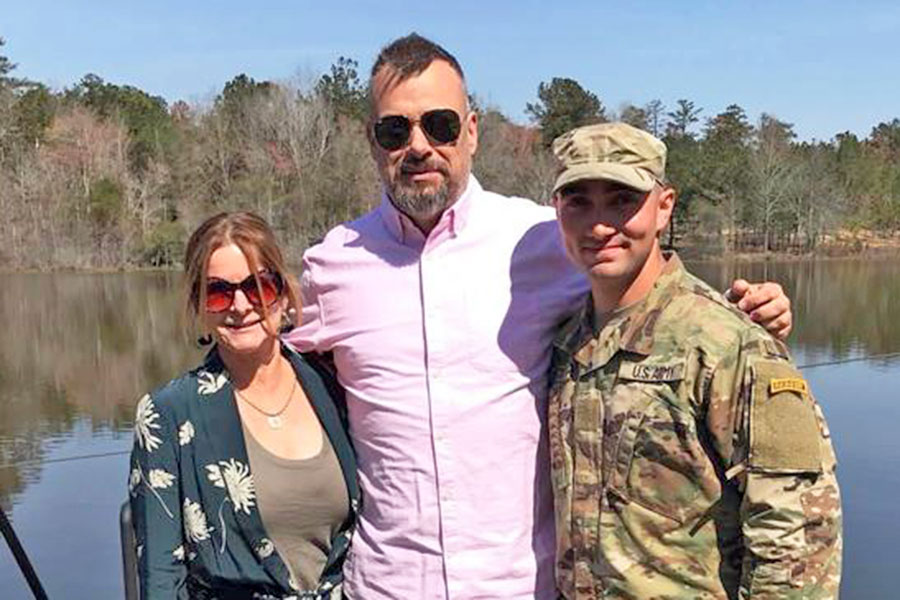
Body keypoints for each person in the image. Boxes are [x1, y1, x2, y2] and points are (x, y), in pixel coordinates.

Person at [285, 34, 794, 599]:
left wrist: (746, 312)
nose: (420, 145)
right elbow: (268, 372)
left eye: (441, 124)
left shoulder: (543, 239)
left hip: (526, 587)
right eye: (395, 130)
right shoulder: (332, 264)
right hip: (386, 586)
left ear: (472, 130)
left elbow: (652, 297)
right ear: (373, 142)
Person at [547, 123, 842, 599]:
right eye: (578, 200)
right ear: (556, 210)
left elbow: (799, 539)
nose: (599, 225)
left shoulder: (729, 344)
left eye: (622, 199)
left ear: (664, 208)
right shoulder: (566, 344)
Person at [128, 212, 359, 599]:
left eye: (258, 287)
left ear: (283, 293)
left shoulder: (336, 384)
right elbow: (161, 576)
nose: (239, 305)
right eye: (219, 291)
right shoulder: (167, 415)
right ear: (199, 304)